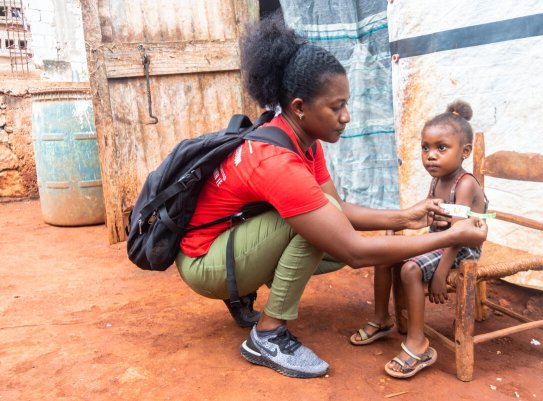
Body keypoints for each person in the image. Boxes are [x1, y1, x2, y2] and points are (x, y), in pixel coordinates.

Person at [175, 14, 487, 379]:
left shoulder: (300, 140)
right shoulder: (277, 160)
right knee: (315, 229)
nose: (347, 117)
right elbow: (353, 251)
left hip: (226, 245)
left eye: (346, 104)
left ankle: (249, 291)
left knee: (325, 216)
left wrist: (407, 216)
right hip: (204, 264)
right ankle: (268, 334)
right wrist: (451, 236)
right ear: (299, 108)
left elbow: (339, 209)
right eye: (336, 107)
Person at [349, 100, 488, 379]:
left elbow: (458, 235)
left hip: (462, 249)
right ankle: (381, 318)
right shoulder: (438, 180)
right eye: (425, 148)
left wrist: (439, 274)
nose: (431, 156)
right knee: (384, 253)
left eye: (441, 148)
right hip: (441, 241)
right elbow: (426, 215)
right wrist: (398, 225)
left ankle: (418, 344)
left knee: (411, 269)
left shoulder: (465, 184)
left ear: (465, 152)